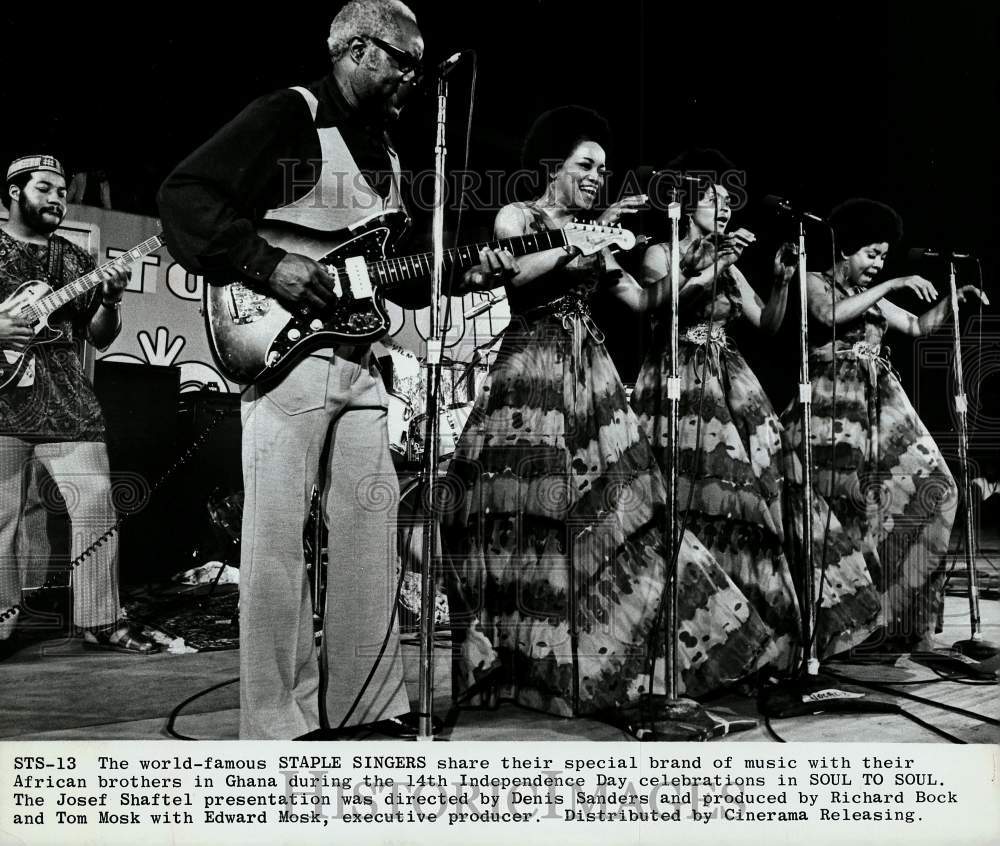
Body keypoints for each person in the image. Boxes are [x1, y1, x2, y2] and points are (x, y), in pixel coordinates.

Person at [158, 0, 513, 739]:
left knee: (369, 542)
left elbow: (397, 273)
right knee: (276, 545)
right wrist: (269, 264)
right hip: (288, 360)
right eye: (402, 60)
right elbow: (184, 197)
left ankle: (364, 708)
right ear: (357, 50)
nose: (412, 77)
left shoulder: (383, 149)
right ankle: (279, 726)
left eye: (419, 64)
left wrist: (470, 269)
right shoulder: (290, 114)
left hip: (359, 364)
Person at [443, 107, 771, 724]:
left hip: (590, 379)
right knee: (524, 521)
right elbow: (516, 267)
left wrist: (706, 267)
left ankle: (597, 663)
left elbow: (647, 301)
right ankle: (522, 666)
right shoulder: (521, 216)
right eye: (585, 165)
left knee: (628, 511)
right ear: (554, 168)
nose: (597, 176)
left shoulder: (602, 236)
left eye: (602, 168)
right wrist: (578, 239)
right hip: (531, 376)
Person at [632, 160, 881, 666]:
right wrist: (714, 266)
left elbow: (766, 324)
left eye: (729, 199)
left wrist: (782, 281)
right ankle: (700, 634)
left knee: (765, 483)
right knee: (702, 494)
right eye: (715, 199)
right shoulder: (662, 252)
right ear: (686, 203)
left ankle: (761, 625)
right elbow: (666, 306)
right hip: (680, 375)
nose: (725, 207)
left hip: (731, 375)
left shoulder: (732, 260)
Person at [781, 198, 986, 652]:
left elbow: (915, 325)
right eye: (871, 254)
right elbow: (828, 315)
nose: (877, 264)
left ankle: (898, 619)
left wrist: (953, 300)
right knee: (849, 512)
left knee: (936, 487)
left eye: (884, 257)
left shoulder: (872, 298)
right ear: (846, 249)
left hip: (881, 403)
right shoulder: (812, 281)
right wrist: (892, 282)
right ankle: (845, 630)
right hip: (833, 410)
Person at [0, 154, 158, 655]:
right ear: (13, 192)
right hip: (3, 406)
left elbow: (100, 336)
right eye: (44, 187)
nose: (56, 199)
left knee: (96, 508)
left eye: (62, 191)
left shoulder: (72, 258)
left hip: (68, 404)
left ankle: (102, 619)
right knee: (0, 521)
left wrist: (111, 299)